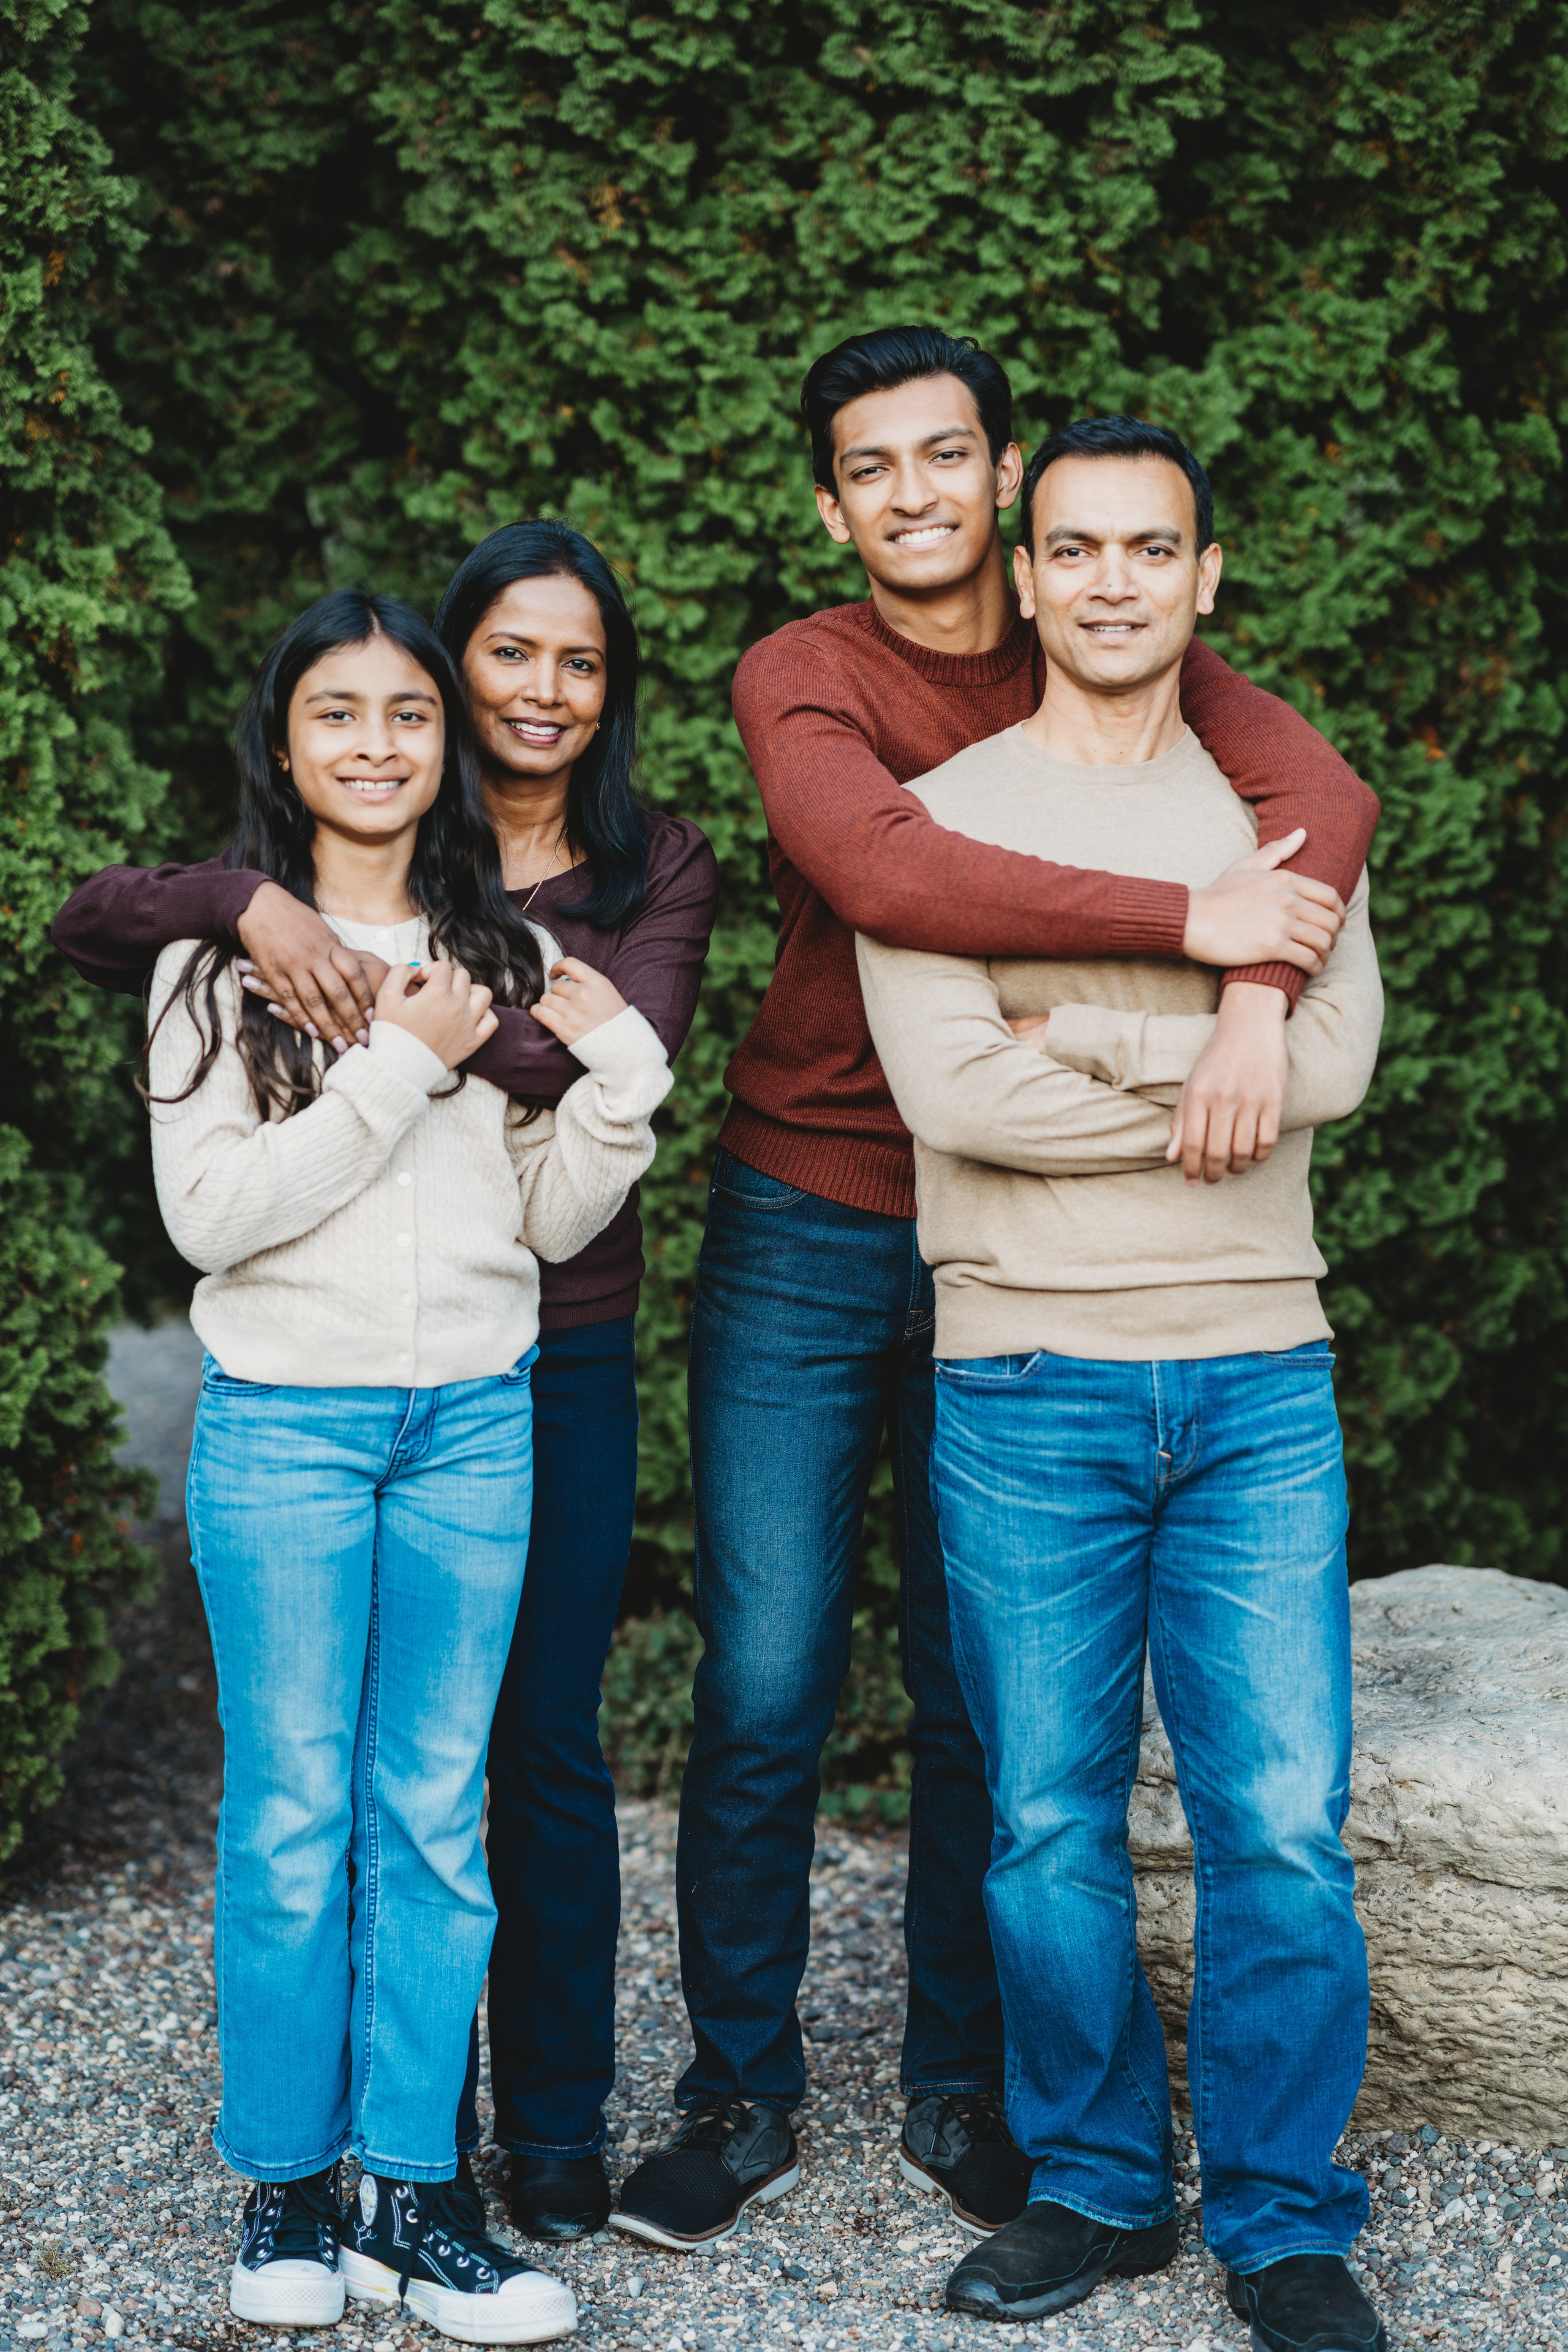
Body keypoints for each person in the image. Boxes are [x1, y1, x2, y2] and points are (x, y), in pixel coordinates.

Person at [609, 326, 1380, 2255]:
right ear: (832, 506)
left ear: (1007, 482)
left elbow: (1328, 806)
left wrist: (1256, 999)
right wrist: (1194, 935)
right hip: (814, 1205)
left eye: (946, 454)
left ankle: (969, 2084)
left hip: (1039, 1261)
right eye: (871, 467)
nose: (914, 493)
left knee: (989, 1709)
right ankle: (739, 2089)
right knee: (768, 1675)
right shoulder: (809, 672)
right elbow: (887, 867)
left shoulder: (1118, 639)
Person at [51, 523, 720, 2245]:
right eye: (336, 714)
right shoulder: (210, 961)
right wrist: (393, 1072)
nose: (375, 743)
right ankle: (287, 2187)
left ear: (446, 746)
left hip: (475, 1427)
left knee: (434, 1819)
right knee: (291, 1816)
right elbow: (213, 1222)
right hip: (287, 1427)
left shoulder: (497, 954)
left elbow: (545, 1220)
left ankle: (414, 2191)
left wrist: (618, 1094)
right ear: (284, 747)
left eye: (408, 713)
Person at [855, 417, 1384, 2352]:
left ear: (1205, 577)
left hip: (1258, 1376)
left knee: (1281, 1827)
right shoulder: (935, 816)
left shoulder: (1281, 808)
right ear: (1027, 573)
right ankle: (1090, 2183)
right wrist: (1207, 1064)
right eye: (1074, 548)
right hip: (1025, 1375)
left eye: (1151, 549)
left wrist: (1076, 1027)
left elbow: (1332, 1066)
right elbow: (954, 1090)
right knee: (1046, 1822)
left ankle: (1282, 2215)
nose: (1111, 582)